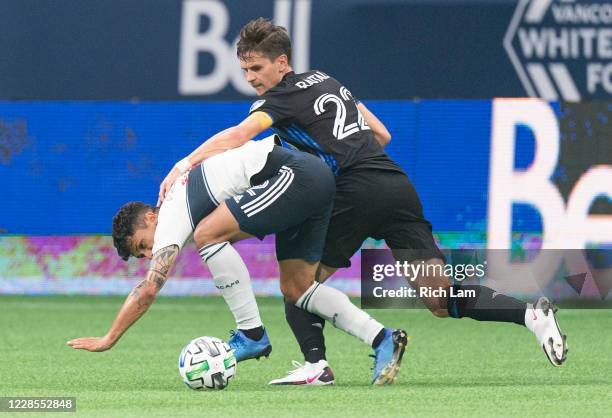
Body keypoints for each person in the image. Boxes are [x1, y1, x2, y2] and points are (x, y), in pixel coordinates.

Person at [157, 18, 567, 385]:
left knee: (297, 284)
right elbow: (383, 134)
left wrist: (185, 163)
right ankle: (532, 316)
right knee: (439, 299)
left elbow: (239, 135)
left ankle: (317, 366)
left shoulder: (277, 99)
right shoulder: (326, 80)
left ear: (282, 63)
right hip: (393, 183)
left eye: (257, 68)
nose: (250, 77)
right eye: (245, 69)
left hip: (354, 191)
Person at [68, 136, 408, 386]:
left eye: (143, 245)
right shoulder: (180, 197)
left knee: (208, 235)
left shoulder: (170, 213)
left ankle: (251, 333)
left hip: (297, 176)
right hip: (309, 179)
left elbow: (148, 290)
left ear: (150, 218)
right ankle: (382, 338)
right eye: (142, 254)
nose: (148, 255)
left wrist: (109, 337)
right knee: (297, 287)